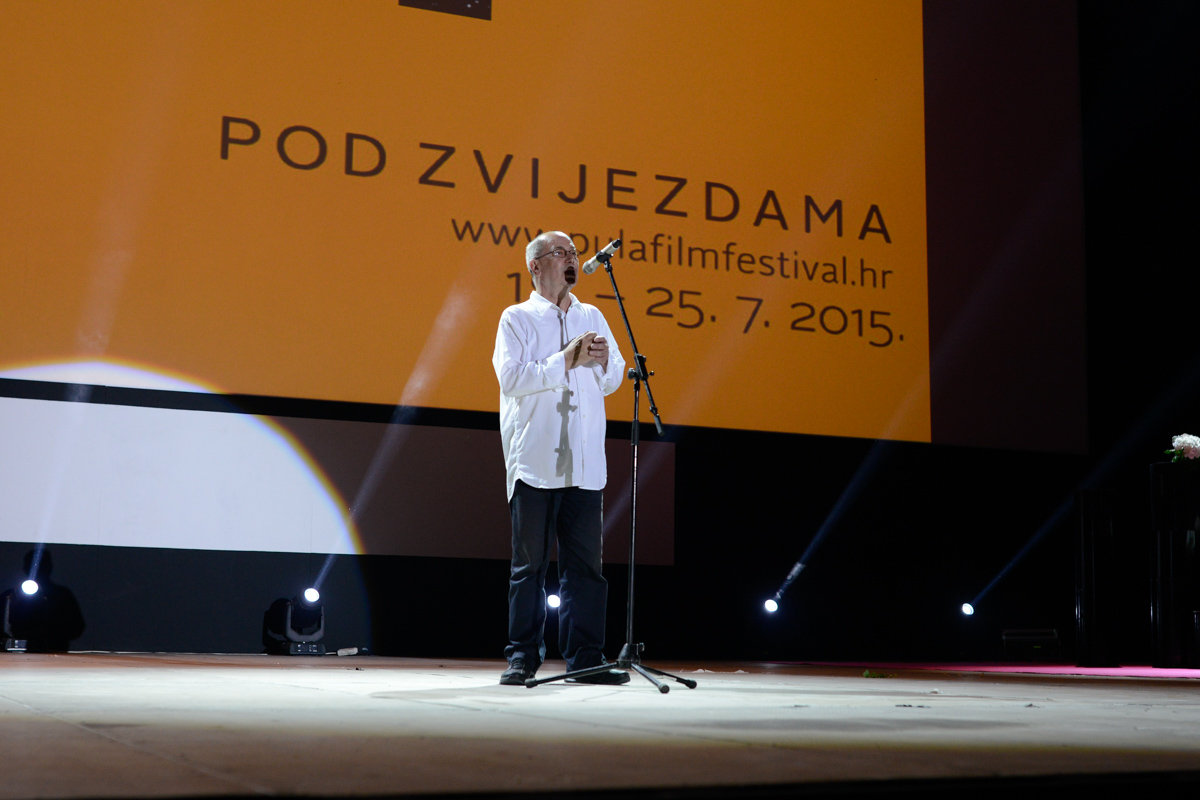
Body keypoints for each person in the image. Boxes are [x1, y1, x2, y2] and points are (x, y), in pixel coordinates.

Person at [492, 230, 629, 686]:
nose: (571, 258)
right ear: (535, 266)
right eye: (560, 253)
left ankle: (586, 658)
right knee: (529, 567)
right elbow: (512, 379)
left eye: (573, 252)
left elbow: (613, 378)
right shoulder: (517, 318)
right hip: (535, 461)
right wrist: (565, 360)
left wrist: (604, 361)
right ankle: (522, 657)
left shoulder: (592, 315)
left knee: (586, 569)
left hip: (585, 463)